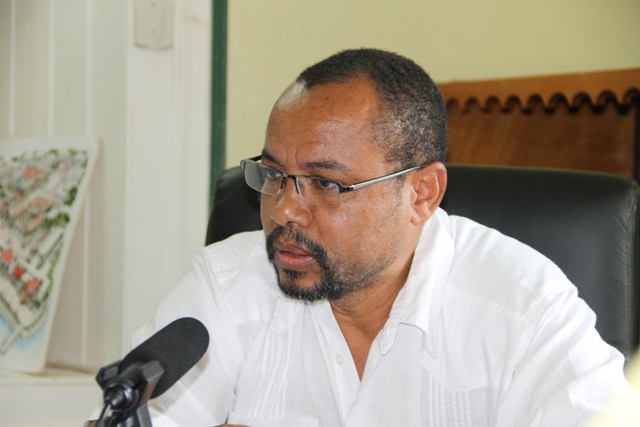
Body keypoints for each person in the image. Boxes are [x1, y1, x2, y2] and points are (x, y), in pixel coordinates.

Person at [90, 48, 630, 426]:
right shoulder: (227, 287)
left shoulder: (523, 307)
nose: (284, 210)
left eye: (327, 184)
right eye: (274, 174)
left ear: (422, 193)